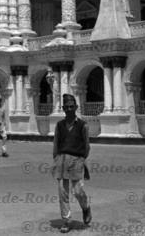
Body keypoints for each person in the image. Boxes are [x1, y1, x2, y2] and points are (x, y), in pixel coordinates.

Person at [52, 93, 92, 233]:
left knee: (78, 191)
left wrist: (82, 160)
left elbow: (86, 146)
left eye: (71, 106)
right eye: (66, 107)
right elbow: (56, 144)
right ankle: (66, 220)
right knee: (62, 192)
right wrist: (55, 160)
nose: (69, 109)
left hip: (76, 160)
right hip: (62, 160)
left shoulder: (83, 125)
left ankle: (85, 207)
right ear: (63, 108)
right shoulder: (59, 125)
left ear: (76, 107)